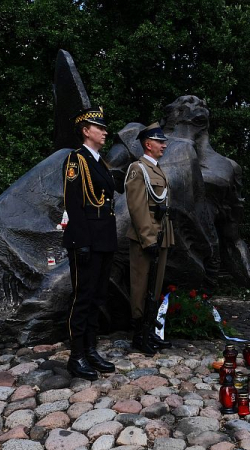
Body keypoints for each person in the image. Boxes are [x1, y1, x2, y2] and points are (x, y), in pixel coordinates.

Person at [62, 106, 123, 380]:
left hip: (104, 238)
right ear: (86, 131)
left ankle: (90, 349)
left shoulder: (99, 162)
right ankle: (76, 356)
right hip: (86, 239)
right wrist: (80, 242)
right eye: (100, 127)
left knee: (98, 297)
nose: (105, 131)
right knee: (83, 298)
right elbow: (74, 204)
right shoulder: (77, 160)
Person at [126, 123, 174, 355]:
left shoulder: (157, 169)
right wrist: (148, 238)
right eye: (160, 141)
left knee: (155, 286)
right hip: (146, 235)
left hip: (161, 233)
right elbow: (137, 207)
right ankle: (139, 334)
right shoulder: (138, 168)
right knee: (141, 285)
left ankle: (150, 331)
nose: (164, 145)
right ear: (148, 144)